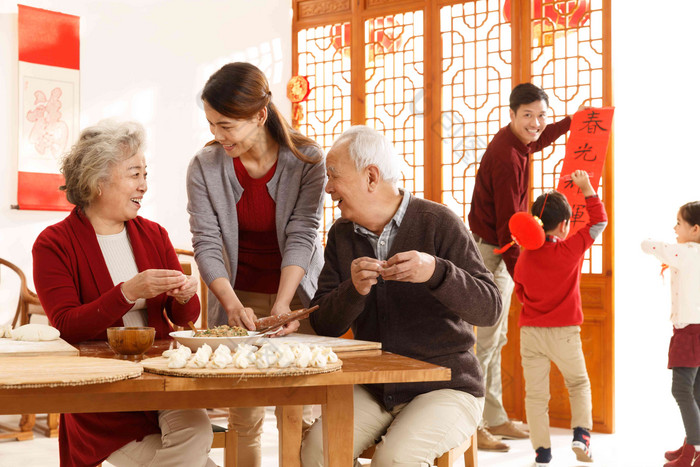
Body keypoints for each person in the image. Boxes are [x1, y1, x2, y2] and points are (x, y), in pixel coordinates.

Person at [300, 126, 502, 465]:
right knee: (317, 451)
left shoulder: (438, 222)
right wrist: (355, 290)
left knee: (395, 459)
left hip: (448, 386)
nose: (328, 187)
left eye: (333, 176)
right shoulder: (341, 235)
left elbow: (490, 308)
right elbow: (324, 325)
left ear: (371, 177)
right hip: (375, 387)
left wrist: (437, 272)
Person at [32, 120, 215, 467]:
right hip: (103, 396)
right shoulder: (54, 244)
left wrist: (183, 295)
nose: (144, 186)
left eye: (146, 174)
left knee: (198, 432)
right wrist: (127, 292)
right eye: (134, 174)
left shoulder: (154, 234)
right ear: (98, 180)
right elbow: (67, 325)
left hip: (162, 378)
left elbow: (182, 318)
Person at [186, 62, 326, 466]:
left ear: (260, 115)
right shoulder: (205, 167)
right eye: (212, 124)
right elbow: (207, 243)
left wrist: (283, 305)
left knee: (298, 413)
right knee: (243, 416)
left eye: (226, 126)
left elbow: (304, 232)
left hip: (295, 293)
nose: (217, 136)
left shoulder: (307, 159)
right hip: (237, 295)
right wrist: (230, 306)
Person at [468, 82, 575, 450]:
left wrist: (569, 123)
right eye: (527, 115)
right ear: (512, 114)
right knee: (482, 343)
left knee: (496, 341)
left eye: (541, 116)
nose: (535, 123)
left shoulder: (518, 143)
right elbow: (506, 225)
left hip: (502, 247)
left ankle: (495, 417)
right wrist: (525, 279)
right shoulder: (506, 157)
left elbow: (538, 141)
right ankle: (473, 425)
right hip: (493, 250)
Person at [513, 170, 606, 466]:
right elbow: (599, 222)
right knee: (578, 383)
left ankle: (542, 452)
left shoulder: (524, 257)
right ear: (564, 225)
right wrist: (587, 189)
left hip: (531, 334)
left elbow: (521, 294)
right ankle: (581, 436)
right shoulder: (570, 248)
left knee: (536, 396)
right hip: (564, 333)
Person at [642, 201, 700, 467]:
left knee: (681, 389)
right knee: (696, 392)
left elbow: (653, 247)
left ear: (696, 229)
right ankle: (692, 445)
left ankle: (696, 449)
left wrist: (648, 240)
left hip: (690, 332)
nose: (674, 228)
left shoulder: (687, 252)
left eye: (678, 223)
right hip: (694, 329)